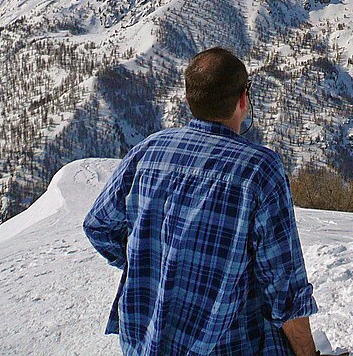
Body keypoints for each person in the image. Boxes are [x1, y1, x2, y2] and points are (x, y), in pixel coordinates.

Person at [84, 47, 320, 355]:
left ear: (189, 99)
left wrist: (150, 264)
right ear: (243, 100)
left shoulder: (149, 150)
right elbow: (286, 290)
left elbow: (98, 226)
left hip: (143, 342)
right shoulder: (259, 170)